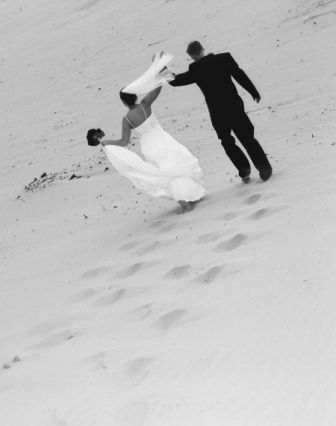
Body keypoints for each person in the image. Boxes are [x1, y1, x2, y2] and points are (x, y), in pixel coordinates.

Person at [87, 60, 206, 213]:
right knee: (176, 166)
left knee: (164, 172)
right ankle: (189, 195)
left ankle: (184, 201)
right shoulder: (145, 104)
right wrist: (160, 74)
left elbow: (123, 142)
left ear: (124, 102)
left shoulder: (127, 119)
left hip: (149, 146)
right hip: (163, 138)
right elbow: (157, 89)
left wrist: (106, 142)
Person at [169, 41, 272, 183]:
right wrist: (253, 92)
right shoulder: (224, 58)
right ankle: (265, 169)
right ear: (203, 49)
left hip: (217, 113)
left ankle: (244, 170)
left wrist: (162, 71)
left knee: (227, 142)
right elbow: (239, 75)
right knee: (248, 138)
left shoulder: (195, 69)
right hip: (235, 106)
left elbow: (176, 81)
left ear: (192, 56)